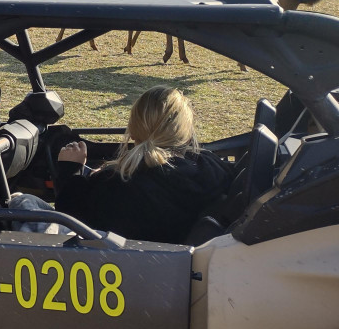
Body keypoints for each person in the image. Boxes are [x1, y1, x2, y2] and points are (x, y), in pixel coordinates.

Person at [53, 85, 234, 243]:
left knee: (26, 203)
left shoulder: (120, 185)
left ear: (132, 130)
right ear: (185, 133)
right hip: (168, 261)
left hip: (125, 268)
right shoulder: (213, 170)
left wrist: (70, 171)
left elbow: (69, 220)